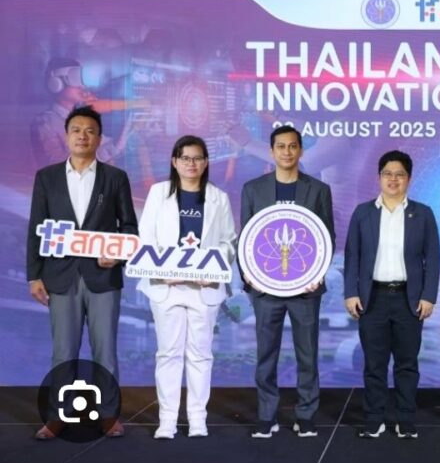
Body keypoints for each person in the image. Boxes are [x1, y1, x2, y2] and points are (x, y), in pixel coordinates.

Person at [26, 105, 138, 439]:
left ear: (99, 138)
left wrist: (116, 254)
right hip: (60, 276)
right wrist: (34, 275)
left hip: (103, 278)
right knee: (63, 350)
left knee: (105, 351)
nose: (83, 136)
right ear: (66, 136)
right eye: (76, 130)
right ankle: (56, 416)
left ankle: (108, 415)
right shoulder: (46, 177)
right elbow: (36, 228)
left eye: (90, 131)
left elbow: (129, 227)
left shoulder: (115, 177)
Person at [136, 136, 237, 439]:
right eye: (185, 158)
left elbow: (228, 242)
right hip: (166, 287)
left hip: (203, 289)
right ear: (174, 161)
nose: (191, 164)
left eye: (197, 158)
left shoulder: (218, 198)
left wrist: (213, 270)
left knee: (200, 354)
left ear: (206, 162)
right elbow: (146, 236)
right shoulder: (158, 193)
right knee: (168, 353)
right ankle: (167, 420)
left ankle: (197, 419)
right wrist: (161, 271)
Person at [241, 125, 335, 439]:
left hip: (305, 290)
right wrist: (250, 276)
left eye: (293, 146)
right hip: (265, 290)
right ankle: (266, 415)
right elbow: (246, 237)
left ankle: (306, 415)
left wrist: (317, 273)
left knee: (307, 354)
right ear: (271, 151)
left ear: (301, 150)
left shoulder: (318, 190)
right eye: (281, 146)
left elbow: (327, 237)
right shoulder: (253, 189)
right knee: (266, 354)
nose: (287, 152)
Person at [344, 150, 440, 439]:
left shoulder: (422, 213)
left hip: (408, 299)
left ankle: (405, 418)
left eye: (400, 174)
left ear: (409, 179)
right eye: (387, 174)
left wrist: (429, 296)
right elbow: (352, 256)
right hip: (371, 298)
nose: (393, 179)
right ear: (379, 177)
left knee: (407, 363)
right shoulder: (363, 213)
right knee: (374, 363)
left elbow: (433, 258)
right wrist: (351, 293)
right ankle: (374, 419)